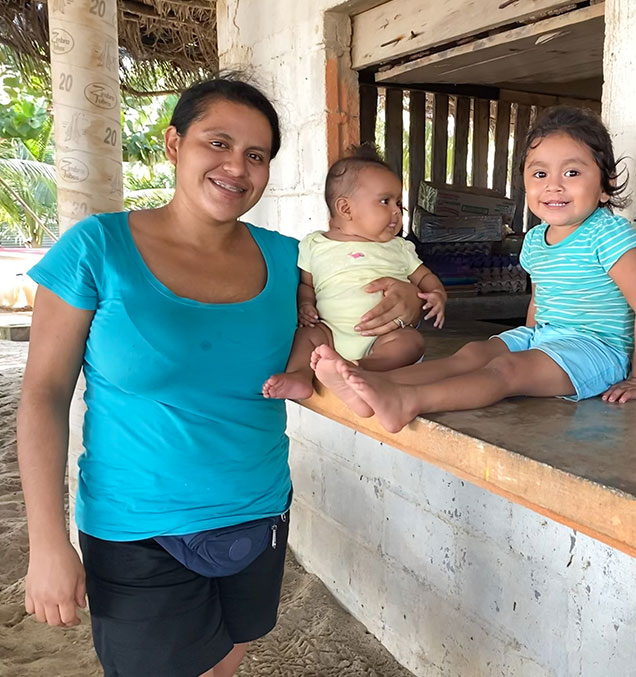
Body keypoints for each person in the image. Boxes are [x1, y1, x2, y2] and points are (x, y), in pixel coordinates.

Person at [16, 75, 423, 677]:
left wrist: (407, 302)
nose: (237, 166)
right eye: (218, 143)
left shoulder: (291, 260)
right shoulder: (97, 248)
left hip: (259, 511)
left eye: (256, 155)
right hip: (138, 527)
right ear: (174, 143)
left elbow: (374, 323)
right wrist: (47, 543)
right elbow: (43, 396)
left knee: (226, 662)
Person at [312, 105, 636, 433]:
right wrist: (526, 341)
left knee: (505, 370)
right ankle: (374, 383)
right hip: (543, 338)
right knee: (474, 353)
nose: (553, 185)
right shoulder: (537, 239)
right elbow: (540, 301)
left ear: (604, 187)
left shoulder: (609, 234)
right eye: (540, 173)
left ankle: (406, 400)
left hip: (595, 350)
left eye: (572, 172)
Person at [262, 144, 446, 400]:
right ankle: (300, 375)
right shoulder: (315, 245)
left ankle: (363, 369)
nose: (396, 211)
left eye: (398, 203)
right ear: (345, 208)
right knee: (307, 336)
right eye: (385, 201)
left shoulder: (399, 248)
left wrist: (437, 293)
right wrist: (305, 305)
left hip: (383, 337)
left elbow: (424, 277)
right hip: (330, 333)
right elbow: (307, 285)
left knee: (411, 341)